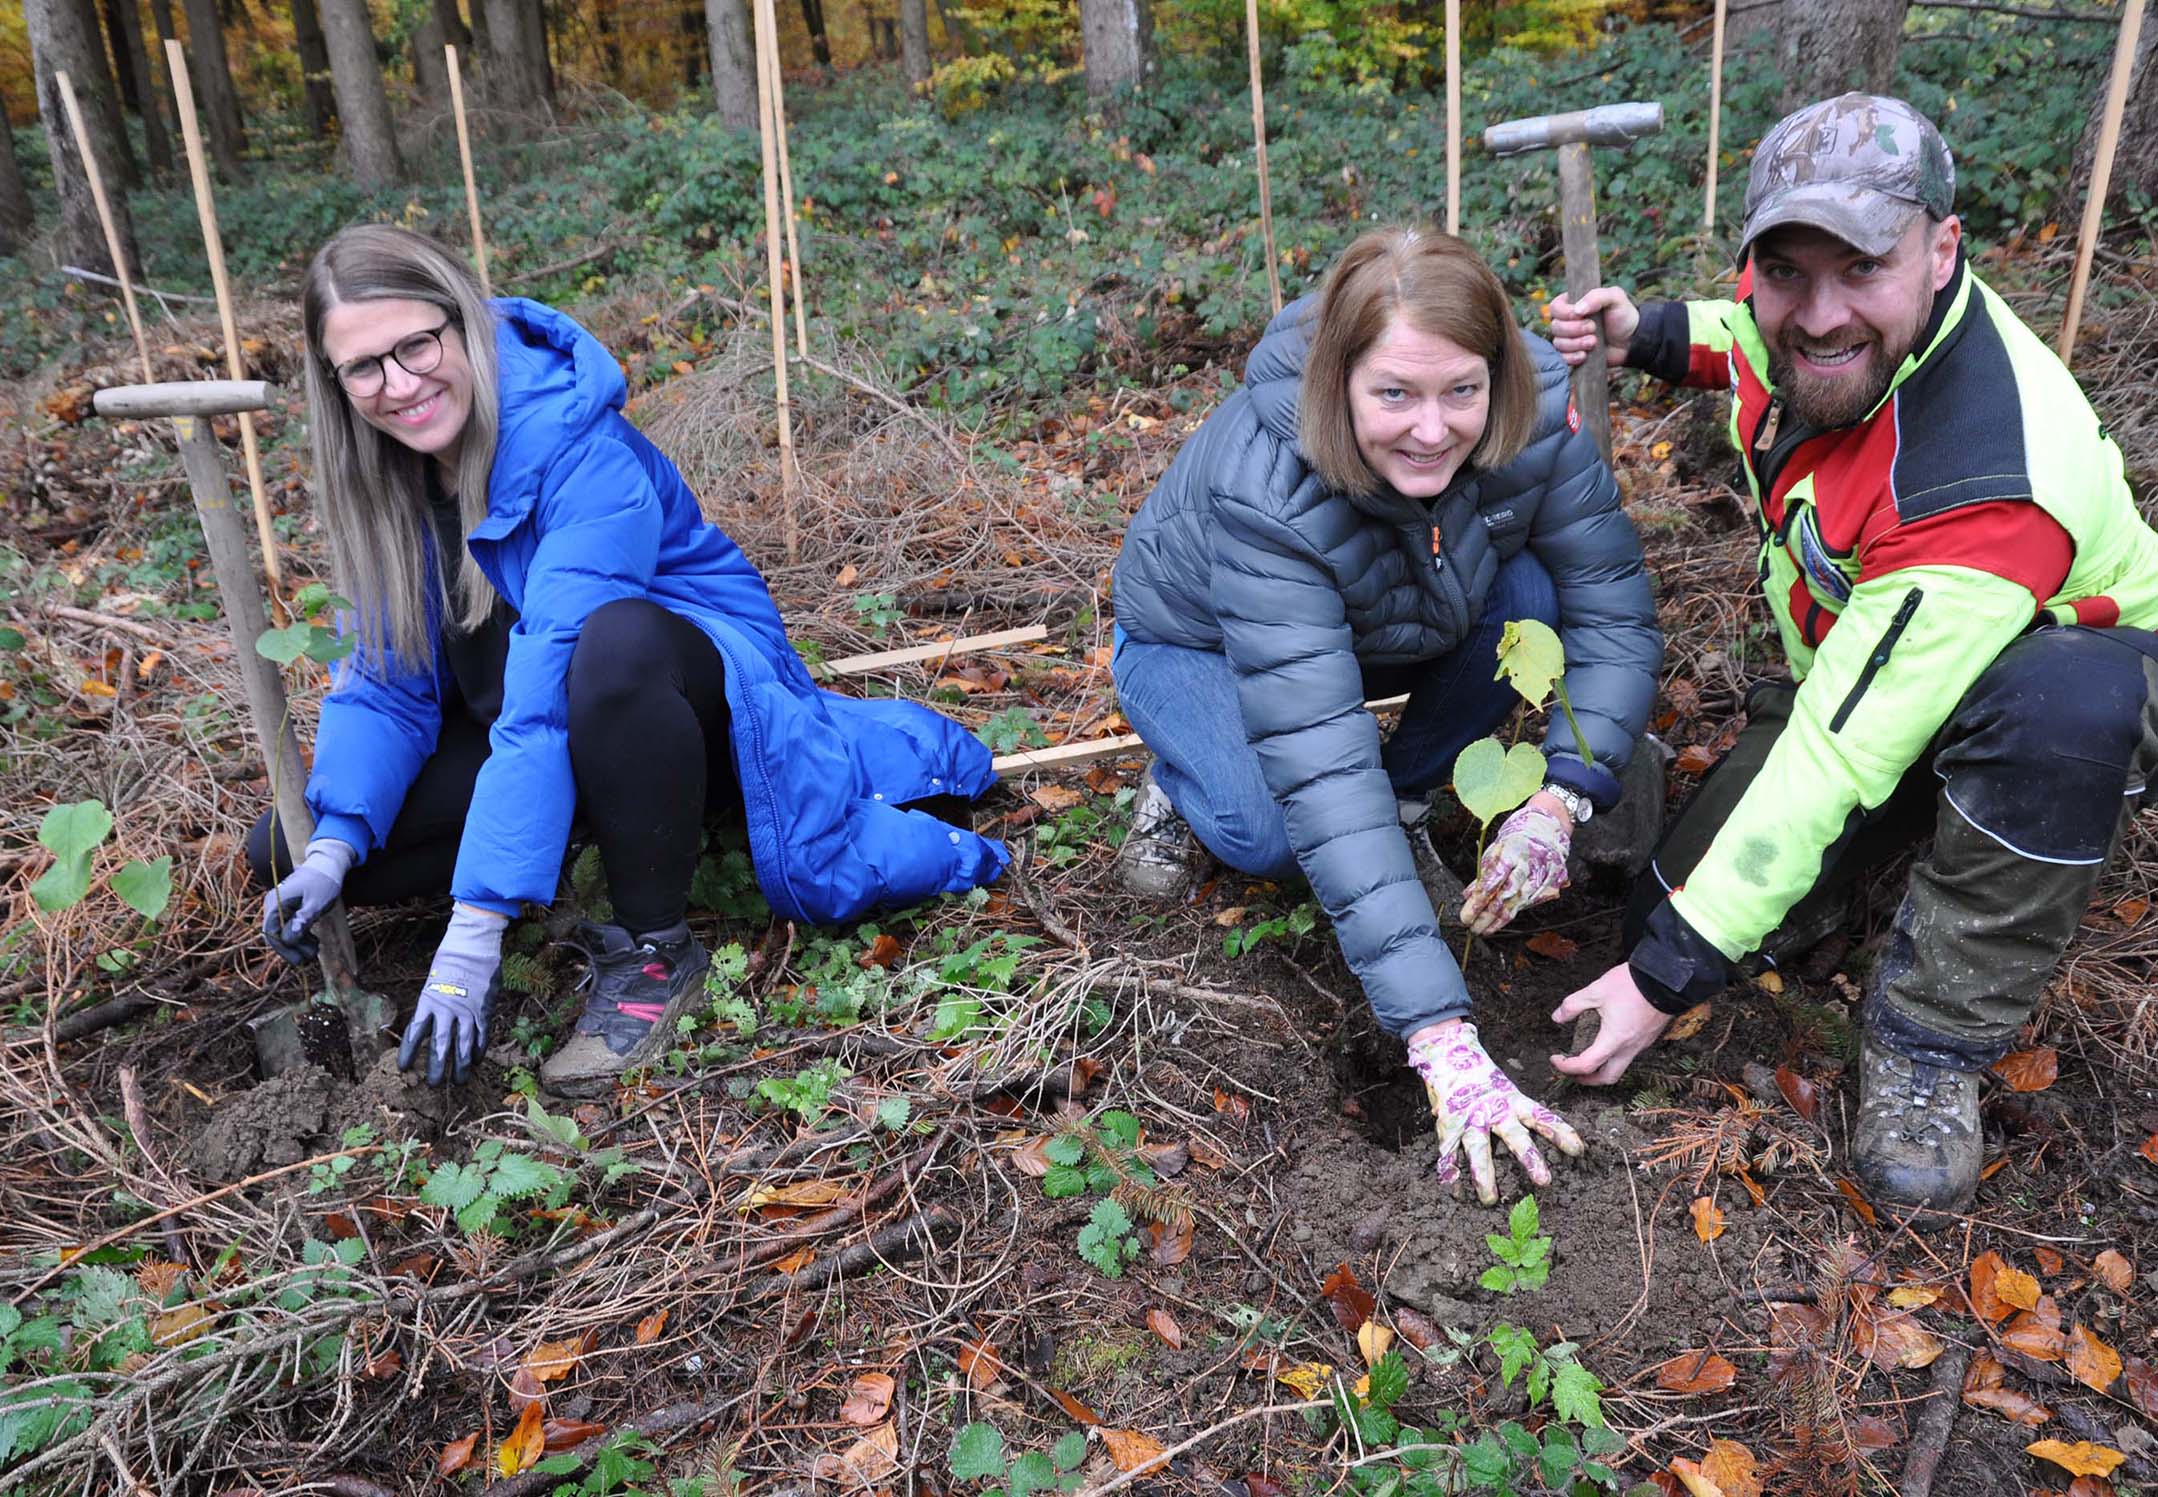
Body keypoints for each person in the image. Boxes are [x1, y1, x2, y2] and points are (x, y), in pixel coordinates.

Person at [1545, 94, 2158, 1215]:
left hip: (2060, 669)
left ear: (1940, 251)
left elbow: (1839, 749)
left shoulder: (1983, 479)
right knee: (1666, 909)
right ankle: (1852, 862)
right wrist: (1645, 336)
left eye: (1860, 270)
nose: (1816, 314)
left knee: (2062, 705)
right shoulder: (1800, 313)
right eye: (1786, 270)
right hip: (1870, 663)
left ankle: (1932, 1040)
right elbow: (1743, 335)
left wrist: (1658, 983)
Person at [252, 224, 1009, 1096]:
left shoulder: (577, 451)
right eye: (364, 367)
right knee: (288, 842)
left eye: (416, 344)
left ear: (462, 321)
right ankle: (582, 830)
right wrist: (335, 847)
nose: (399, 384)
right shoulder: (385, 482)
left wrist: (474, 928)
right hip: (545, 727)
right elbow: (385, 689)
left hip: (681, 700)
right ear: (335, 382)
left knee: (613, 644)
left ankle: (656, 951)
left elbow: (547, 689)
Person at [1111, 225, 1663, 1205]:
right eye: (1392, 395)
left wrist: (1563, 802)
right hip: (1202, 643)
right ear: (1337, 382)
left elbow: (1612, 612)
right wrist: (1439, 1034)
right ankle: (1186, 764)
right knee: (1270, 826)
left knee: (1529, 602)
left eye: (1460, 391)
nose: (1431, 428)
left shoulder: (1534, 419)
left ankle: (1406, 800)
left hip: (1391, 610)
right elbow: (1324, 768)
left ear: (1498, 373)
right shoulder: (1265, 489)